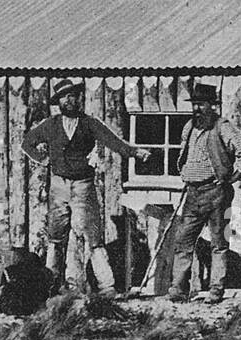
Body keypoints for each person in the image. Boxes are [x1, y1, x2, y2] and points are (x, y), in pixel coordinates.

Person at [22, 78, 152, 297]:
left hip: (83, 186)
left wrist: (135, 152)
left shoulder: (90, 123)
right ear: (59, 102)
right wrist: (43, 160)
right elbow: (27, 143)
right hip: (58, 186)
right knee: (56, 237)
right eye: (64, 97)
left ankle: (106, 287)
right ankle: (51, 285)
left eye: (72, 95)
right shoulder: (50, 125)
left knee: (92, 237)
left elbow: (114, 142)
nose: (69, 100)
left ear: (79, 98)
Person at [167, 81, 241, 304]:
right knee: (183, 242)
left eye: (203, 104)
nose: (198, 109)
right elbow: (185, 156)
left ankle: (216, 290)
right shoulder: (189, 127)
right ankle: (178, 289)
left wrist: (232, 178)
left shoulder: (222, 126)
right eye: (195, 104)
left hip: (216, 193)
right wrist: (186, 175)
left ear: (212, 106)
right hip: (192, 194)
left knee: (219, 244)